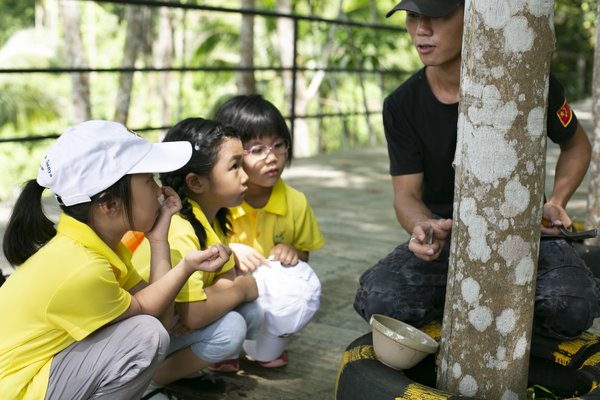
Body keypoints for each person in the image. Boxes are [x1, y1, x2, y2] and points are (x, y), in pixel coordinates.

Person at [354, 0, 600, 341]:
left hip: (526, 234)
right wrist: (421, 225)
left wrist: (557, 200)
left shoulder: (528, 83)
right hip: (449, 239)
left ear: (473, 16)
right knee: (379, 298)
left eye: (436, 16)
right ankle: (468, 304)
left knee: (573, 305)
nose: (421, 30)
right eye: (412, 17)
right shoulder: (401, 104)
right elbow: (406, 195)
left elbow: (577, 144)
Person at [0, 120, 230, 400]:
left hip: (36, 378)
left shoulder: (95, 249)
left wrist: (158, 240)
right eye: (149, 181)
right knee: (145, 337)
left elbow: (160, 316)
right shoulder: (83, 267)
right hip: (18, 390)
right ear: (110, 204)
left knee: (148, 332)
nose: (160, 190)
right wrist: (186, 267)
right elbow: (150, 321)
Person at [130, 117, 263, 385]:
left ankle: (176, 370)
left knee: (252, 313)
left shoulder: (212, 217)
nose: (246, 176)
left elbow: (223, 281)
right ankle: (151, 382)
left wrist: (200, 306)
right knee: (233, 326)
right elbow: (199, 312)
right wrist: (244, 287)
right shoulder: (180, 229)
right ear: (196, 182)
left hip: (169, 324)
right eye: (234, 166)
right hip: (139, 336)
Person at [214, 94, 324, 368]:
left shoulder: (295, 202)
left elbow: (304, 259)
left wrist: (292, 252)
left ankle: (267, 342)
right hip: (224, 294)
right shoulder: (217, 203)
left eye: (278, 145)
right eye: (257, 149)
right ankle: (222, 347)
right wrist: (230, 252)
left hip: (268, 298)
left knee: (298, 289)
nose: (272, 157)